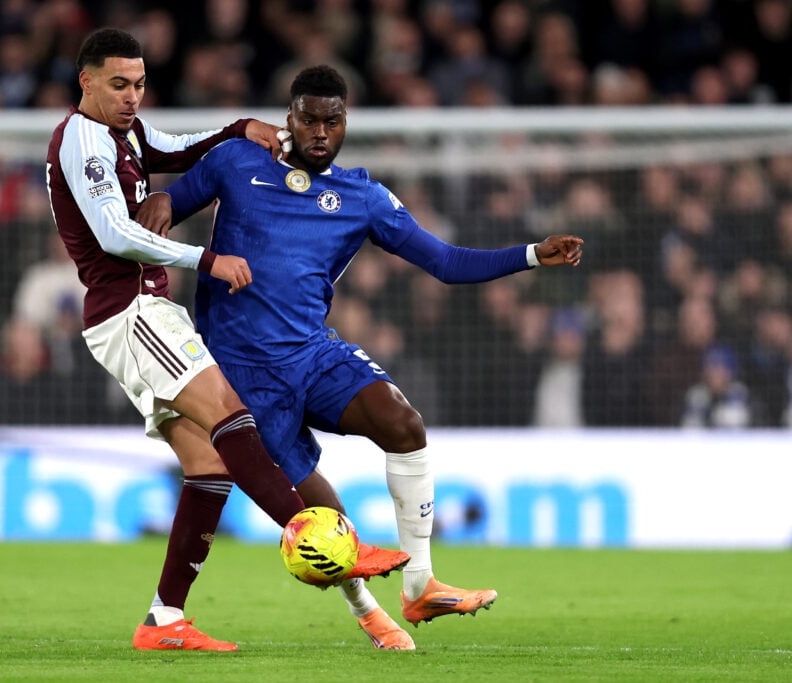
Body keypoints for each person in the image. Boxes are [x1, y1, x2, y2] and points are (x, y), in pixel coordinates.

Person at [138, 64, 584, 650]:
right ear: (289, 119)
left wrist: (531, 254)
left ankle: (421, 584)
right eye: (310, 119)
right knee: (324, 518)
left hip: (313, 354)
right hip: (242, 376)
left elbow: (445, 263)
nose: (321, 131)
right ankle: (372, 616)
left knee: (403, 422)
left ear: (346, 123)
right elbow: (172, 197)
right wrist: (162, 205)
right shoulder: (235, 163)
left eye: (334, 120)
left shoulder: (362, 196)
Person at [45, 32, 407, 653]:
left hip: (146, 309)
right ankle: (319, 537)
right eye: (117, 85)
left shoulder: (125, 131)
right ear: (86, 82)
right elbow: (115, 235)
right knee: (232, 418)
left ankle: (164, 619)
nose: (132, 97)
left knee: (210, 465)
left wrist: (243, 128)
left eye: (139, 84)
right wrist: (205, 258)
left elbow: (180, 148)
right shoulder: (81, 142)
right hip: (129, 310)